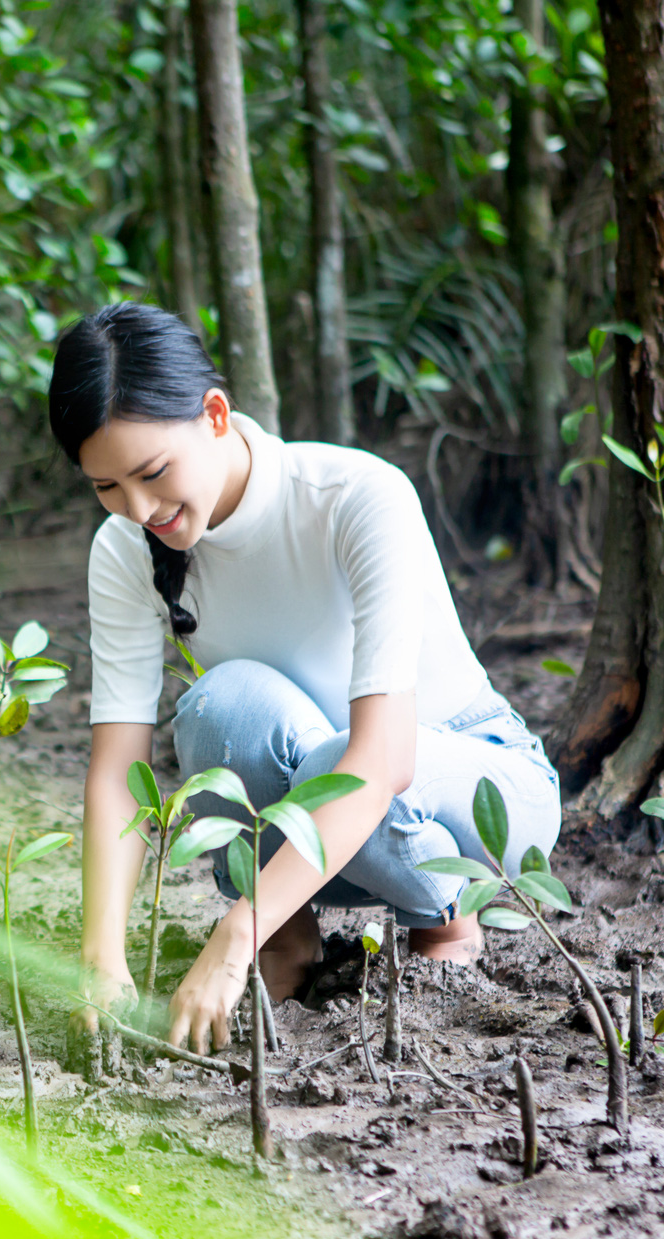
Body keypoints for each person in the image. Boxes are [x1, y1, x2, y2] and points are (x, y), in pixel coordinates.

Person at [52, 303, 561, 1056]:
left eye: (153, 473)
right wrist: (101, 956)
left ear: (215, 415)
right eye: (107, 488)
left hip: (477, 801)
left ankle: (446, 922)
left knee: (337, 763)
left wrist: (231, 935)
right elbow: (119, 770)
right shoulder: (125, 548)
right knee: (216, 706)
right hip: (327, 823)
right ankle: (289, 940)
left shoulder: (356, 496)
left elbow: (382, 761)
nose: (139, 509)